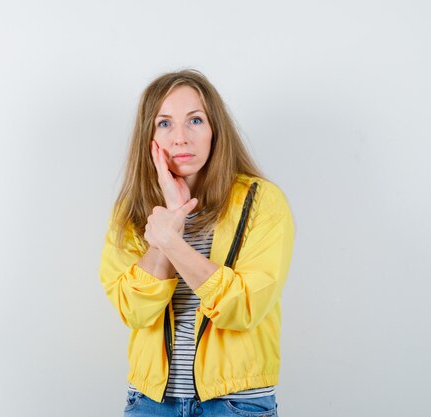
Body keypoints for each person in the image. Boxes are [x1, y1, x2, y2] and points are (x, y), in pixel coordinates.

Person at [99, 69, 295, 417]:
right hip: (150, 403)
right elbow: (134, 310)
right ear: (149, 137)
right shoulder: (131, 211)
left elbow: (244, 307)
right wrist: (171, 215)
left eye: (195, 120)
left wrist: (171, 242)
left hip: (237, 402)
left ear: (214, 131)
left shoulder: (261, 201)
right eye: (164, 124)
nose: (180, 138)